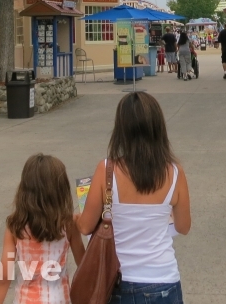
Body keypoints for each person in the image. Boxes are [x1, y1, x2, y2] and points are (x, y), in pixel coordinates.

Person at [77, 92, 191, 304]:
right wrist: (155, 222)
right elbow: (183, 227)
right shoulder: (176, 173)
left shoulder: (106, 170)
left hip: (119, 281)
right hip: (164, 280)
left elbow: (85, 227)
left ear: (121, 129)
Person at [0, 153, 86, 304]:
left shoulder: (15, 226)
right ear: (61, 191)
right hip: (59, 299)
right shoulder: (68, 225)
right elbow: (84, 266)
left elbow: (4, 276)